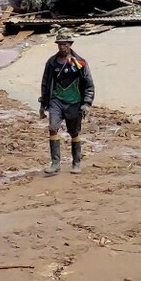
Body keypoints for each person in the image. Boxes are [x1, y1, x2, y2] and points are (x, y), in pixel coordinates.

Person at [39, 29, 94, 175]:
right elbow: (45, 84)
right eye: (60, 44)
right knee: (52, 128)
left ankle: (76, 163)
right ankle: (55, 163)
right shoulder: (51, 63)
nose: (62, 47)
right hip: (56, 101)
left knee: (74, 133)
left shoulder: (79, 63)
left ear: (70, 44)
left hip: (74, 102)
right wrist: (43, 104)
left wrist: (87, 103)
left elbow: (89, 85)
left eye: (65, 44)